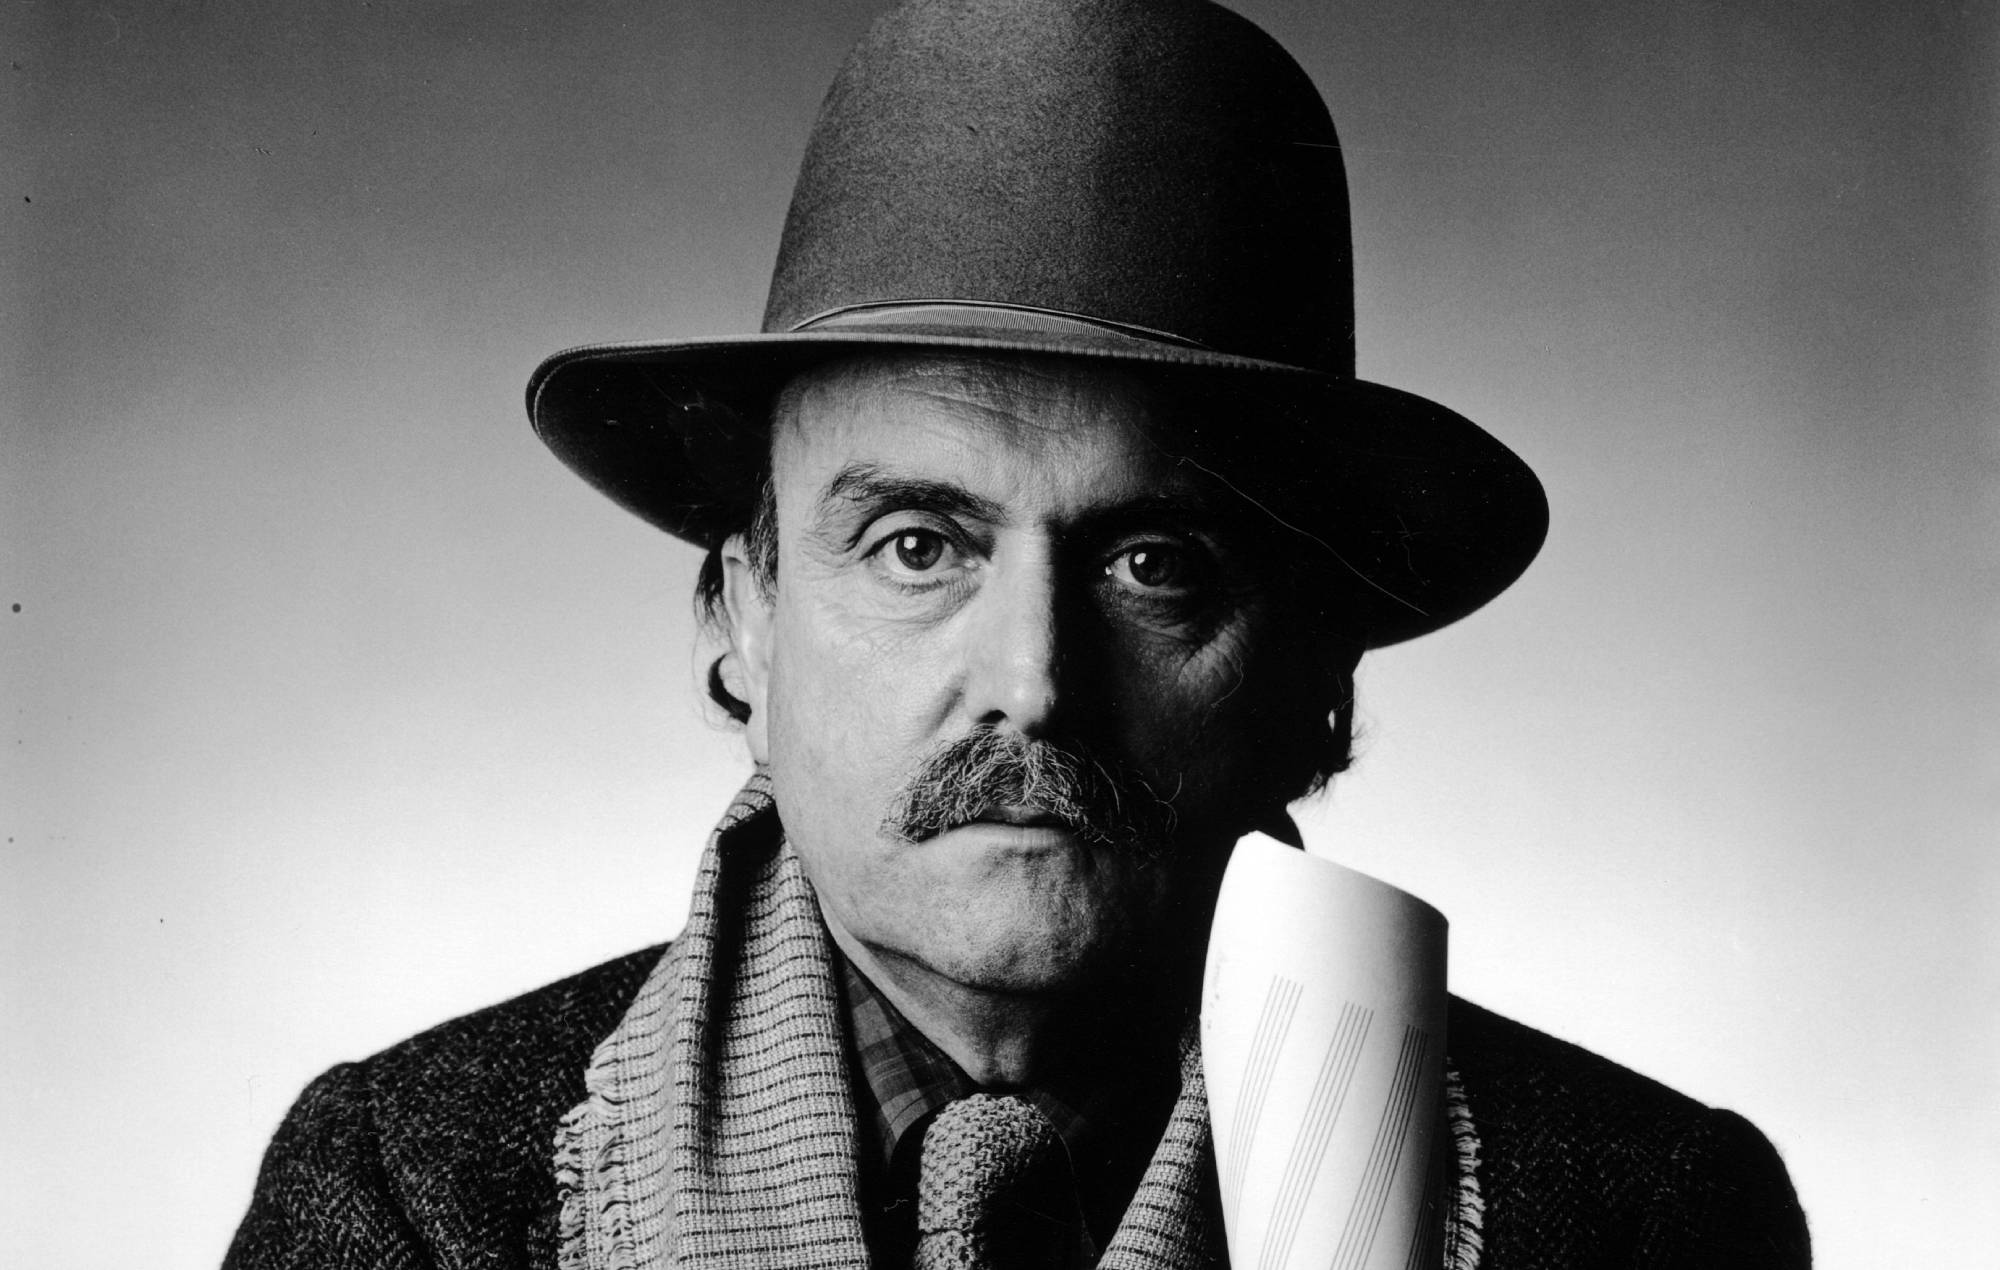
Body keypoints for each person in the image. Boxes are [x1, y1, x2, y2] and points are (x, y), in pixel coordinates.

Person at [226, 1, 1810, 1266]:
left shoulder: (1640, 1221)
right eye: (917, 546)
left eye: (1154, 562)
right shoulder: (419, 1197)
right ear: (747, 620)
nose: (1034, 681)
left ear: (1319, 676)